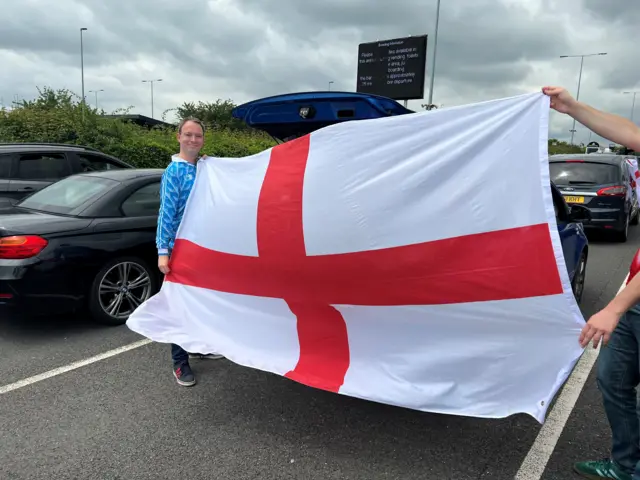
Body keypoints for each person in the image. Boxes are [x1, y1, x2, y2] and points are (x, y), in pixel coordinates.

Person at [543, 86, 640, 480]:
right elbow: (625, 130)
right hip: (634, 303)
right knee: (612, 382)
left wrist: (613, 308)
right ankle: (627, 465)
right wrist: (571, 107)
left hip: (629, 302)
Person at [156, 116, 223, 387]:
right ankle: (179, 361)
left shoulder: (205, 167)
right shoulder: (174, 172)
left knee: (201, 301)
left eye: (198, 135)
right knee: (180, 305)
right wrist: (163, 251)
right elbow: (166, 212)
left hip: (203, 248)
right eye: (188, 135)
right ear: (179, 137)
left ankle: (199, 346)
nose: (193, 140)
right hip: (180, 249)